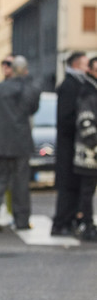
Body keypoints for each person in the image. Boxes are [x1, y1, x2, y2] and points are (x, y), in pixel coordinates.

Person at [0, 55, 40, 231]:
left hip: (0, 143)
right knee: (21, 182)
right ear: (25, 71)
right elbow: (33, 108)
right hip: (21, 143)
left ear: (11, 70)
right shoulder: (29, 89)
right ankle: (22, 220)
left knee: (0, 179)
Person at [51, 51, 89, 236]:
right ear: (75, 65)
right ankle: (61, 223)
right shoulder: (69, 85)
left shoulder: (78, 83)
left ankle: (69, 221)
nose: (87, 68)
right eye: (85, 64)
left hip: (72, 144)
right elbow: (65, 118)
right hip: (69, 145)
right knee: (68, 186)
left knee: (74, 185)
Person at [72, 56, 97, 241]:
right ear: (90, 70)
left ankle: (87, 222)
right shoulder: (88, 92)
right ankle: (86, 224)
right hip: (88, 153)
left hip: (90, 151)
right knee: (87, 191)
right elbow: (85, 122)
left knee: (87, 190)